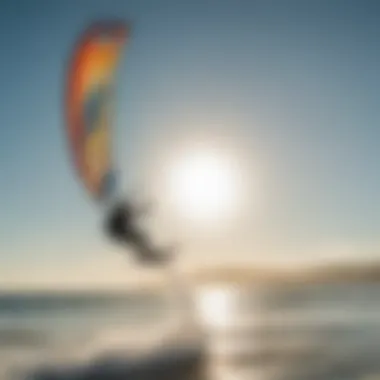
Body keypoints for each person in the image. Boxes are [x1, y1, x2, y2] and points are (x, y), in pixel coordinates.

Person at [105, 199, 173, 265]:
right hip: (119, 231)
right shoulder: (124, 214)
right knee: (139, 238)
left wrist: (146, 208)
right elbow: (136, 213)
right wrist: (146, 208)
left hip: (119, 230)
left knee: (139, 238)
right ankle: (145, 255)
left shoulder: (124, 214)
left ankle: (146, 254)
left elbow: (137, 213)